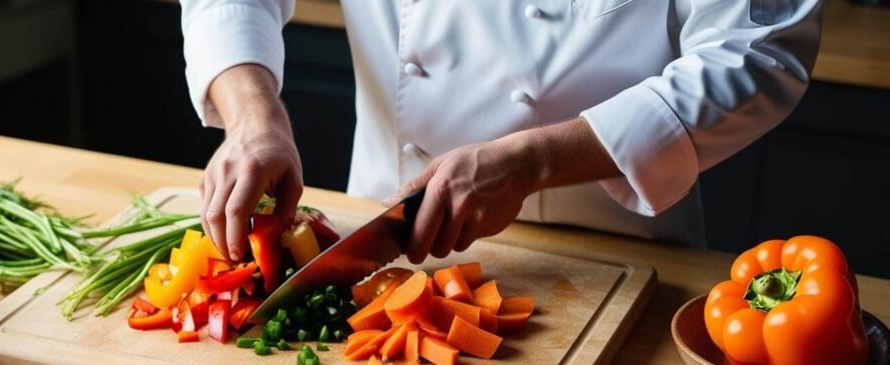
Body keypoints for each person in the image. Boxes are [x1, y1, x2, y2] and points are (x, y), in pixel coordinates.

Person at [180, 1, 821, 263]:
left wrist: (531, 162)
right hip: (388, 229)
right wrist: (252, 114)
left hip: (615, 248)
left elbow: (757, 54)